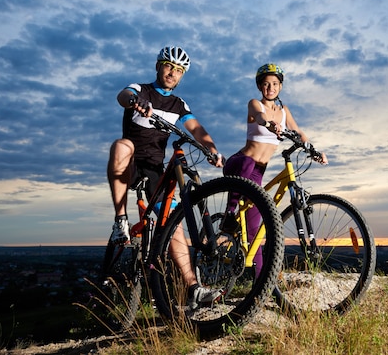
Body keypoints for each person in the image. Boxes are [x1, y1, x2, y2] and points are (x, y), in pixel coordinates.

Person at [107, 46, 223, 308]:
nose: (172, 73)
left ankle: (193, 288)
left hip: (155, 169)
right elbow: (123, 95)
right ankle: (120, 220)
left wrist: (212, 149)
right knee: (121, 145)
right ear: (158, 66)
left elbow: (197, 128)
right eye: (169, 66)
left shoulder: (178, 104)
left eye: (179, 70)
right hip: (131, 161)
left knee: (173, 226)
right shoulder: (141, 89)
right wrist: (137, 102)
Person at [223, 63, 328, 277]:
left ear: (280, 86)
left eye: (274, 84)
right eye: (266, 84)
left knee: (256, 231)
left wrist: (314, 151)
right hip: (239, 163)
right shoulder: (255, 104)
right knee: (248, 163)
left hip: (257, 174)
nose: (270, 87)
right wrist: (269, 124)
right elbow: (259, 117)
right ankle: (229, 215)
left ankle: (263, 284)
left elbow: (298, 131)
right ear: (260, 87)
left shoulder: (283, 112)